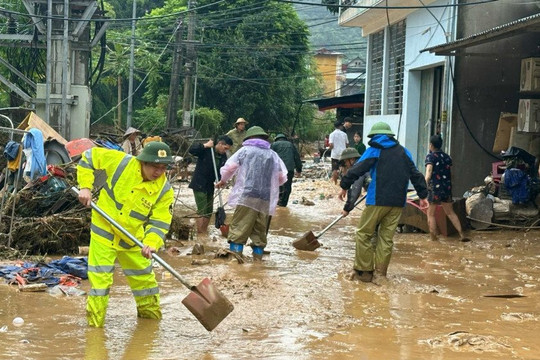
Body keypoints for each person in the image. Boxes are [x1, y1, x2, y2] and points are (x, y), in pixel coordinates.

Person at [76, 141, 175, 327]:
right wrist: (85, 187)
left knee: (145, 281)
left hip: (132, 239)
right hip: (104, 232)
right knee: (100, 283)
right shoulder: (122, 163)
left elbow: (160, 220)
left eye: (163, 168)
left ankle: (150, 325)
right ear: (143, 162)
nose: (159, 172)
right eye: (155, 166)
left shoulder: (164, 190)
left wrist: (152, 242)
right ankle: (95, 330)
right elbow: (89, 157)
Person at [339, 122, 428, 284]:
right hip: (398, 202)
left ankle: (364, 273)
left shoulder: (374, 150)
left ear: (374, 137)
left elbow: (356, 170)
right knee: (386, 238)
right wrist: (423, 196)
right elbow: (416, 174)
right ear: (390, 136)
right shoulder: (404, 152)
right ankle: (380, 275)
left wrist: (344, 186)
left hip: (377, 200)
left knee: (363, 234)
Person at [215, 126, 287, 260]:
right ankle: (257, 263)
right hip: (265, 198)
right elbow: (282, 177)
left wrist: (223, 181)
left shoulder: (245, 150)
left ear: (249, 138)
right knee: (260, 231)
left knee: (239, 227)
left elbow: (229, 168)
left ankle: (235, 261)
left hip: (247, 195)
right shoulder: (272, 155)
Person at [425, 134, 469, 242]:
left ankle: (433, 239)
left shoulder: (430, 157)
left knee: (430, 214)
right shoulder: (447, 157)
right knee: (450, 212)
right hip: (446, 188)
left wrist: (424, 185)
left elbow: (428, 173)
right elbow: (451, 174)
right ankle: (462, 234)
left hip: (435, 189)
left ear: (431, 145)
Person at [188, 135, 233, 234]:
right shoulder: (207, 150)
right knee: (202, 210)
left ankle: (204, 231)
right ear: (220, 144)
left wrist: (222, 180)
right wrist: (205, 145)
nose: (225, 151)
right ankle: (200, 234)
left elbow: (222, 170)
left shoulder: (223, 156)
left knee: (209, 210)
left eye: (227, 149)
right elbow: (191, 150)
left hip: (210, 185)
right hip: (199, 183)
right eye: (225, 148)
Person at [271, 134, 302, 207]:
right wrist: (299, 170)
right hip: (289, 169)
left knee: (277, 186)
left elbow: (269, 157)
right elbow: (297, 157)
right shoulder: (290, 145)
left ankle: (277, 204)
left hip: (277, 169)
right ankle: (283, 204)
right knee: (287, 186)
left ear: (276, 139)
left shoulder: (274, 145)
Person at [329, 120, 349, 184]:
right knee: (344, 168)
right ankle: (344, 183)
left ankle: (335, 183)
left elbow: (331, 145)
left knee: (335, 169)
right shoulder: (344, 134)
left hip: (335, 154)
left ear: (334, 126)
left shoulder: (331, 134)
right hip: (343, 154)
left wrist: (330, 148)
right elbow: (347, 144)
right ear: (341, 126)